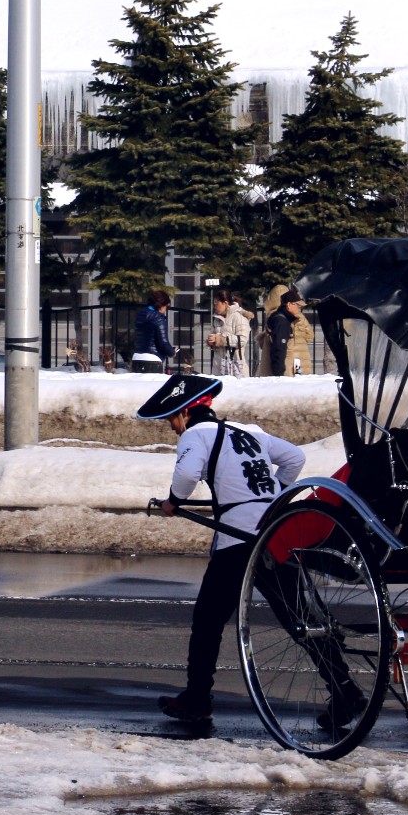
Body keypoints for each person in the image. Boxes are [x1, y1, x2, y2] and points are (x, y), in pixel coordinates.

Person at [140, 381, 363, 730]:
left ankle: (197, 698)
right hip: (275, 532)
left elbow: (185, 475)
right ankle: (345, 689)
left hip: (238, 539)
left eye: (172, 419)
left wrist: (174, 501)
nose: (172, 427)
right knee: (299, 618)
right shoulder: (249, 431)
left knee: (208, 619)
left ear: (186, 411)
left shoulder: (196, 435)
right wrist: (275, 497)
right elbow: (295, 458)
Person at [130, 289, 174, 373]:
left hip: (137, 357)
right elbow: (163, 343)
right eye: (167, 307)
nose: (166, 310)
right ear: (162, 304)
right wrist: (172, 352)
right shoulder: (158, 318)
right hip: (153, 359)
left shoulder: (141, 314)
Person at [208, 294, 251, 377]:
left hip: (236, 367)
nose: (215, 306)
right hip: (219, 366)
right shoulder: (217, 319)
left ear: (225, 303)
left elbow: (242, 340)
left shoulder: (239, 317)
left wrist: (220, 340)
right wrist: (211, 341)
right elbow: (214, 336)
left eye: (216, 303)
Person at [266, 288, 305, 377]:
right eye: (298, 306)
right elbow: (279, 349)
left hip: (292, 371)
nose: (300, 309)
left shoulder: (287, 320)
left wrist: (298, 373)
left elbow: (295, 352)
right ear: (289, 305)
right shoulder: (281, 322)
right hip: (285, 375)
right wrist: (279, 376)